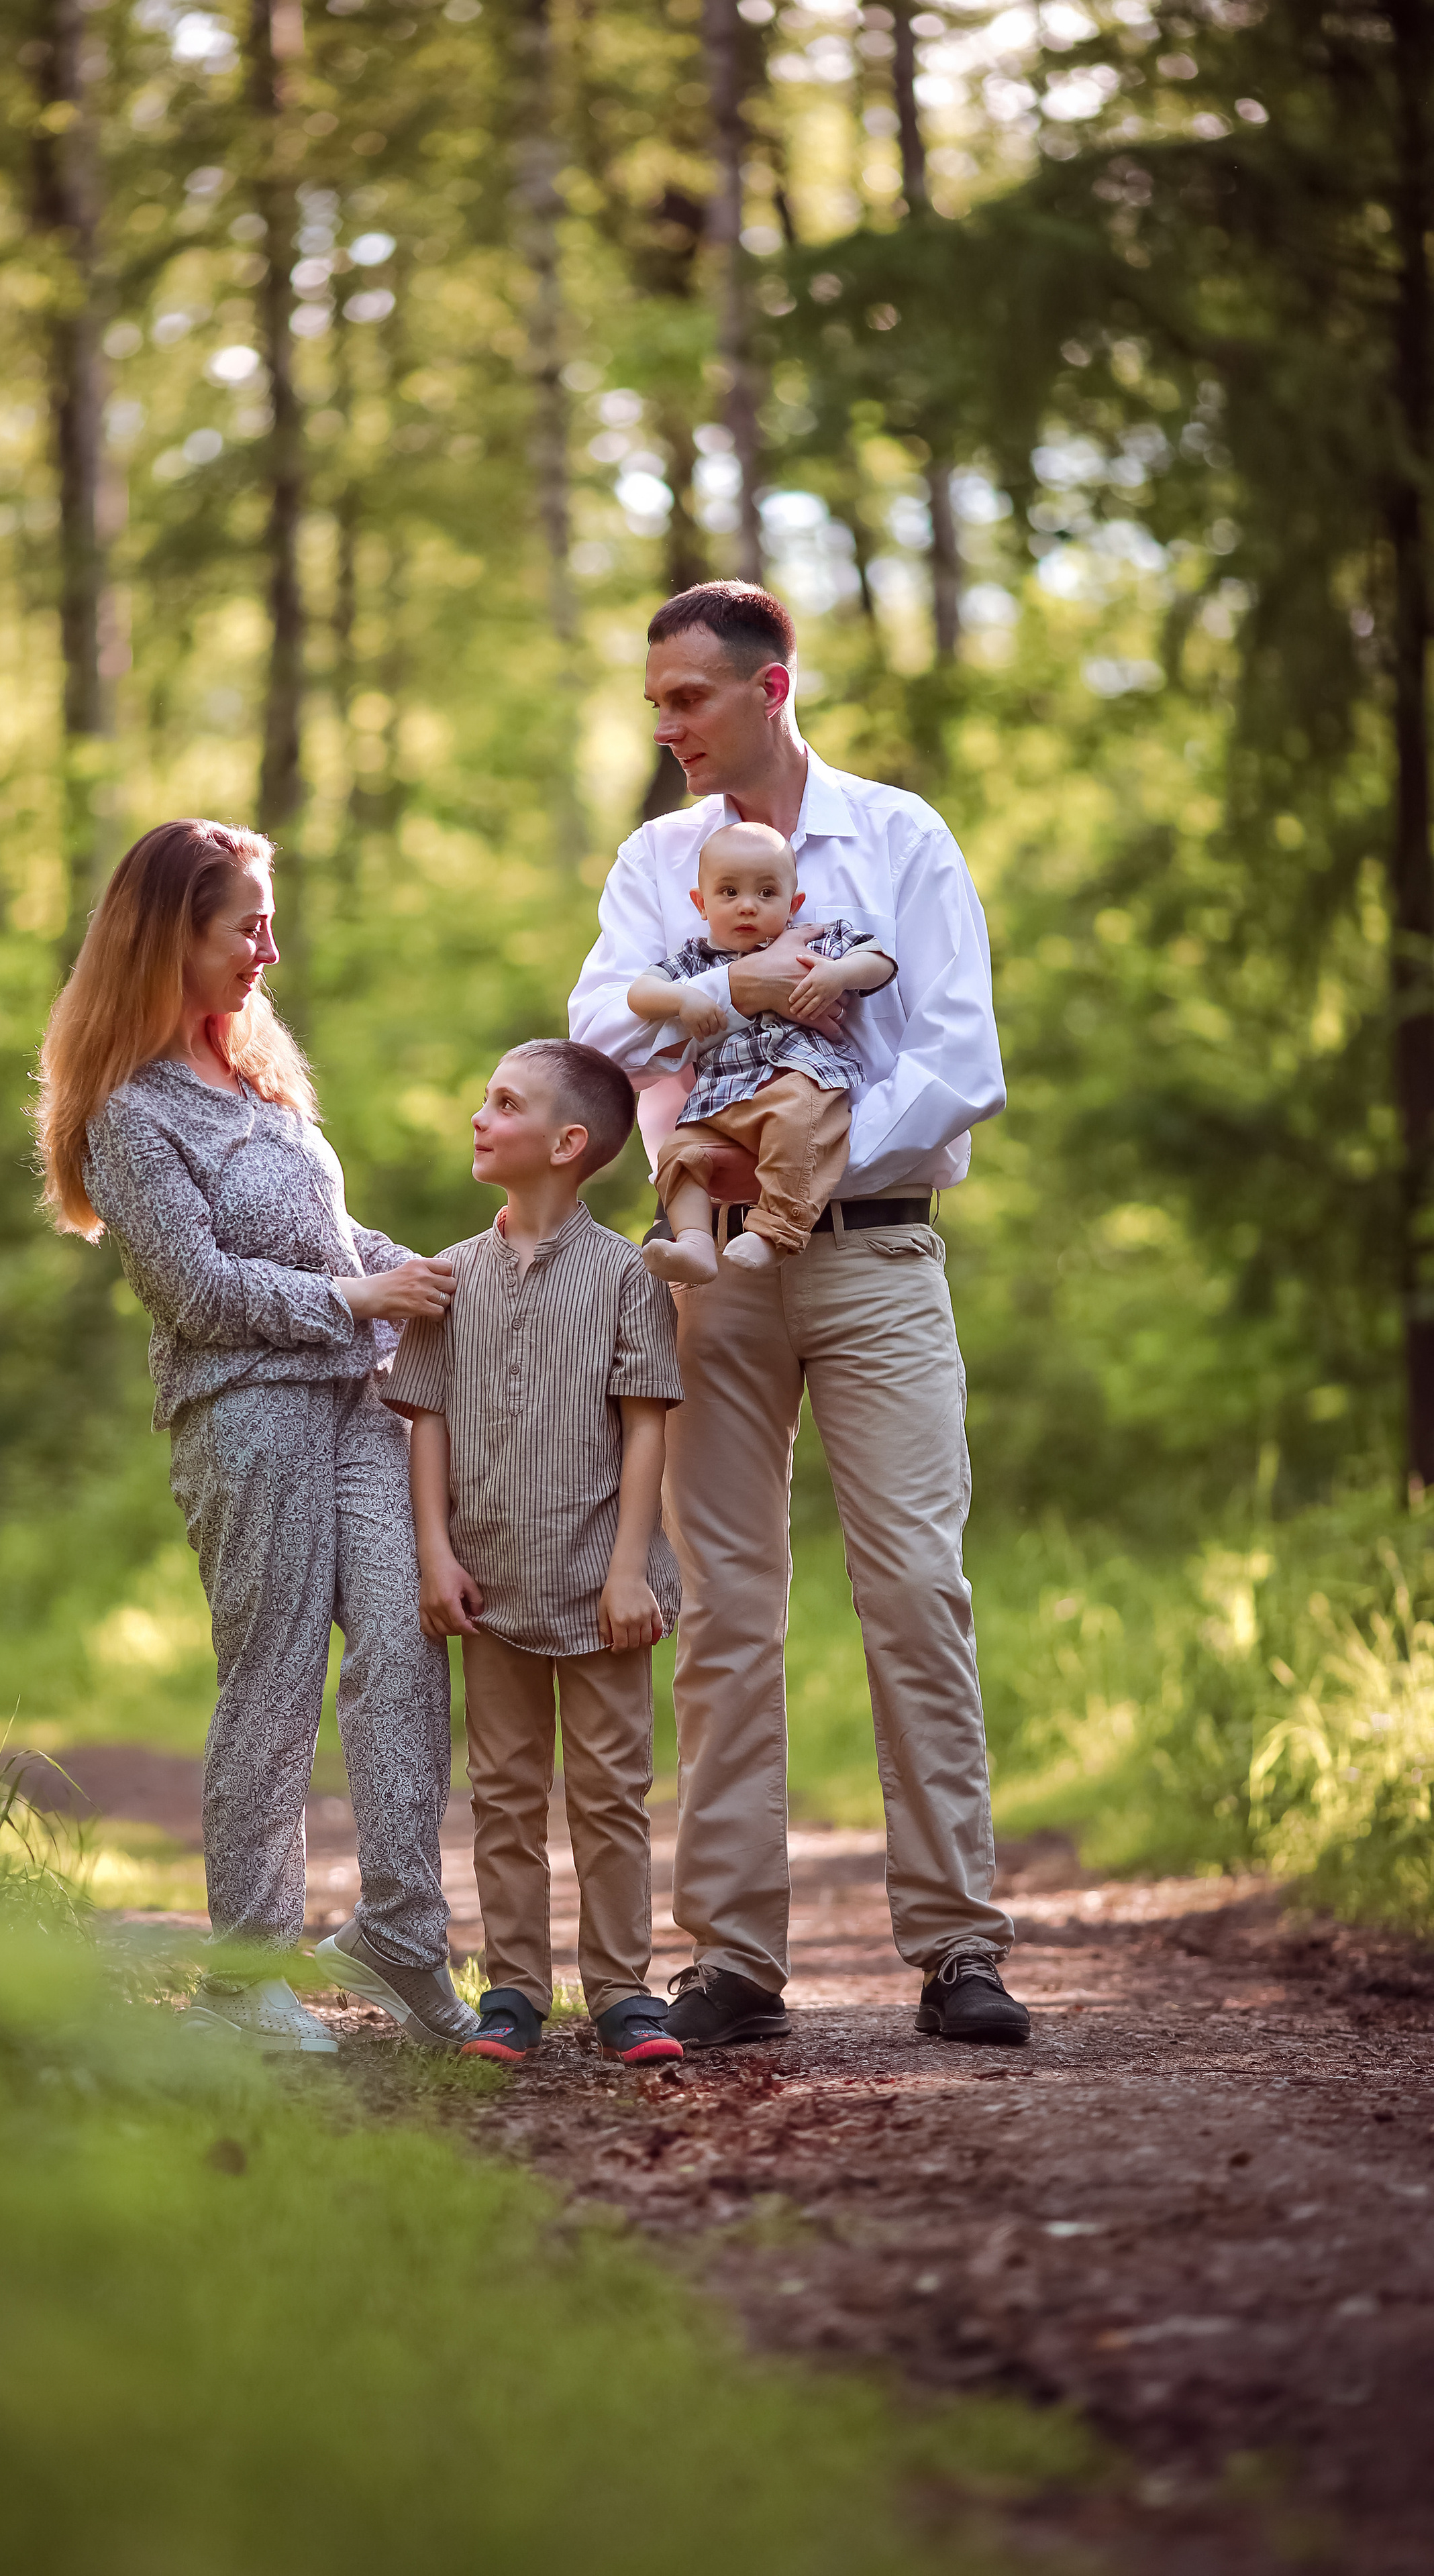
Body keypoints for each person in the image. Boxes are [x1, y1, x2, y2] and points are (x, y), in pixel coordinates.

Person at [570, 581, 1031, 2051]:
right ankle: (732, 1960)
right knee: (720, 1610)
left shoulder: (897, 839)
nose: (666, 725)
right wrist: (726, 1005)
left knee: (912, 1587)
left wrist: (800, 1147)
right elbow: (596, 1025)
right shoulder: (657, 858)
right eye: (653, 702)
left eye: (685, 698)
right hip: (706, 1266)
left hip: (874, 1255)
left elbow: (957, 1059)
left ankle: (956, 1943)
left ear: (768, 689)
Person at [36, 817, 478, 2057]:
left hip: (359, 1403)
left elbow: (335, 1251)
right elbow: (200, 1292)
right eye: (247, 927)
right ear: (169, 934)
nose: (269, 952)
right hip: (246, 1415)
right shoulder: (130, 1113)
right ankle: (243, 1977)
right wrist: (360, 1302)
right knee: (274, 1685)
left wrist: (443, 1274)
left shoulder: (263, 1079)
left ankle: (400, 1932)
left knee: (402, 1650)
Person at [384, 1040, 686, 2069]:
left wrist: (631, 1568)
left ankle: (623, 1992)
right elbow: (424, 1420)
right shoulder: (447, 1278)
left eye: (502, 1104)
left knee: (610, 1793)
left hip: (604, 1584)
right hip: (490, 1584)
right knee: (505, 1792)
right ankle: (513, 1989)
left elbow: (646, 1427)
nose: (479, 1116)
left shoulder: (626, 1278)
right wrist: (434, 1553)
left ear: (567, 1144)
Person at [625, 817, 895, 1283]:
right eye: (729, 893)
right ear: (701, 903)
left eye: (766, 894)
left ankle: (774, 1231)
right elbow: (639, 994)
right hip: (720, 1098)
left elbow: (878, 961)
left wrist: (839, 974)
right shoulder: (695, 960)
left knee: (800, 1128)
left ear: (793, 903)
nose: (747, 906)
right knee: (679, 1152)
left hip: (798, 1079)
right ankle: (693, 1241)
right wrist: (684, 997)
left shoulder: (812, 940)